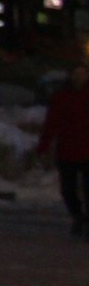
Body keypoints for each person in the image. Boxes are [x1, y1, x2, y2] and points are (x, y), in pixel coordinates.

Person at [38, 62, 89, 238]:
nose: (80, 77)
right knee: (68, 190)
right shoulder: (61, 97)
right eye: (77, 74)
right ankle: (77, 216)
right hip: (67, 150)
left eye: (83, 74)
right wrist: (43, 146)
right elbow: (51, 123)